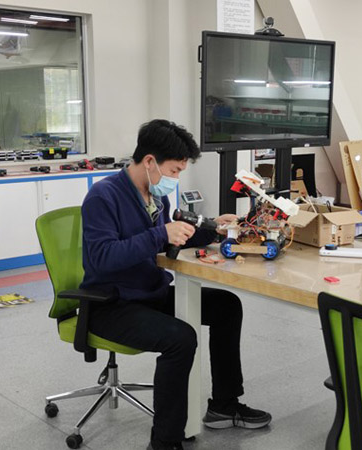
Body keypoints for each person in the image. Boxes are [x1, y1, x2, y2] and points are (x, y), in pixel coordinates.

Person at [80, 119, 272, 450]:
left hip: (147, 292)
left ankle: (224, 405)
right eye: (174, 170)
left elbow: (171, 237)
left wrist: (214, 228)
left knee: (226, 306)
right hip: (110, 303)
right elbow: (102, 258)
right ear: (149, 161)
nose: (176, 178)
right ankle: (164, 442)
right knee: (180, 339)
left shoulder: (154, 196)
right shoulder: (104, 196)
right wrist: (160, 233)